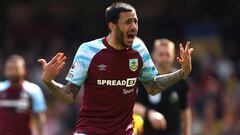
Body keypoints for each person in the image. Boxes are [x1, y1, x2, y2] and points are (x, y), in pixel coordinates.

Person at [37, 2, 193, 135]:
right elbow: (69, 95)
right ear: (112, 26)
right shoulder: (88, 51)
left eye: (135, 21)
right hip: (90, 130)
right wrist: (49, 82)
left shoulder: (139, 50)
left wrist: (182, 72)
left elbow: (152, 86)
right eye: (128, 22)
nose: (134, 27)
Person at [134, 39, 191, 135]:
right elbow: (134, 106)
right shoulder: (144, 78)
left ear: (173, 56)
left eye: (167, 54)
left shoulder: (181, 80)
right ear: (153, 55)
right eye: (161, 54)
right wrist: (150, 113)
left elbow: (185, 110)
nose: (164, 58)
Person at [0, 55, 47, 135]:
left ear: (24, 70)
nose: (12, 71)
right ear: (5, 71)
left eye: (16, 68)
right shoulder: (1, 89)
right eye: (10, 69)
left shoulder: (33, 90)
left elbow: (40, 117)